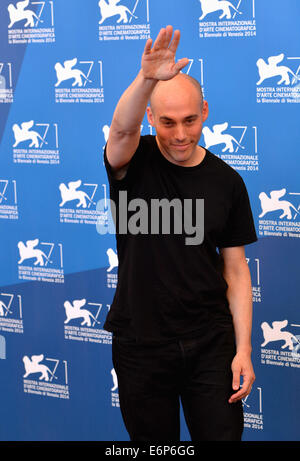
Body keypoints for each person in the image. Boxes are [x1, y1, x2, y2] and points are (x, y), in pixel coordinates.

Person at [103, 25, 257, 441]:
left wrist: (242, 349)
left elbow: (237, 271)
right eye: (167, 123)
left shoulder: (227, 181)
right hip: (141, 345)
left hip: (211, 343)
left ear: (205, 111)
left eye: (190, 120)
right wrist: (147, 79)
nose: (181, 134)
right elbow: (119, 131)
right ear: (151, 118)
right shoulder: (133, 160)